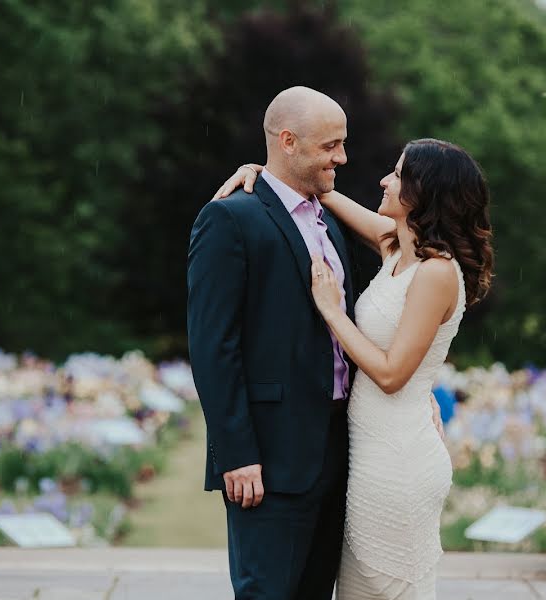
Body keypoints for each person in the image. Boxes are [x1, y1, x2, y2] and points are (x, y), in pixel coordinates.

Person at [187, 86, 444, 599]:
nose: (343, 157)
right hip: (270, 458)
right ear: (288, 141)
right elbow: (214, 346)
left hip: (344, 453)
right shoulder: (230, 219)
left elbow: (401, 301)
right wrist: (237, 452)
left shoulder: (331, 223)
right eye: (330, 146)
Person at [214, 134, 494, 599]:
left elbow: (390, 374)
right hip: (368, 458)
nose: (384, 180)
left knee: (388, 588)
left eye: (398, 174)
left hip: (399, 462)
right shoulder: (397, 249)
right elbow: (318, 192)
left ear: (422, 193)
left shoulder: (437, 273)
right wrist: (264, 172)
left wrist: (332, 310)